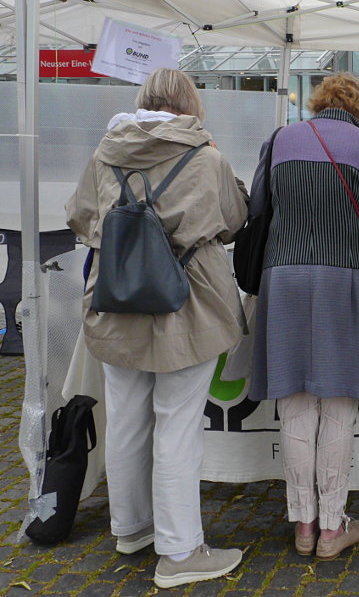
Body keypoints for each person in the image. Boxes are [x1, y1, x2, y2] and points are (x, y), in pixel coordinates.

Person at [65, 68, 248, 589]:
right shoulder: (206, 156)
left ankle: (131, 527)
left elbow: (79, 218)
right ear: (190, 103)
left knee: (124, 417)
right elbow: (235, 219)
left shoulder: (106, 153)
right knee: (177, 425)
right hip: (187, 306)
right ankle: (180, 550)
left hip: (116, 301)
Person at [248, 73, 359, 560]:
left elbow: (257, 210)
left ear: (316, 105)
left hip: (285, 279)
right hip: (347, 281)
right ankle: (334, 528)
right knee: (337, 405)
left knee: (294, 404)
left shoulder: (280, 140)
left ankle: (305, 525)